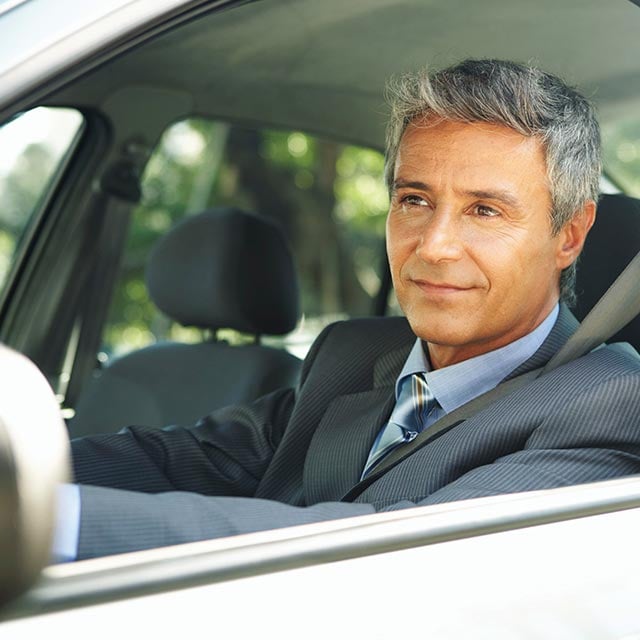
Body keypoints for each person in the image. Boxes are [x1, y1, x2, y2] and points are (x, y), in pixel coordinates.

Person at [56, 59, 640, 561]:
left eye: (485, 210)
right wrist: (24, 473)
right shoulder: (351, 353)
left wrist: (52, 522)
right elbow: (183, 460)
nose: (434, 245)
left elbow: (389, 555)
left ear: (569, 234)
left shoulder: (610, 404)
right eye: (415, 199)